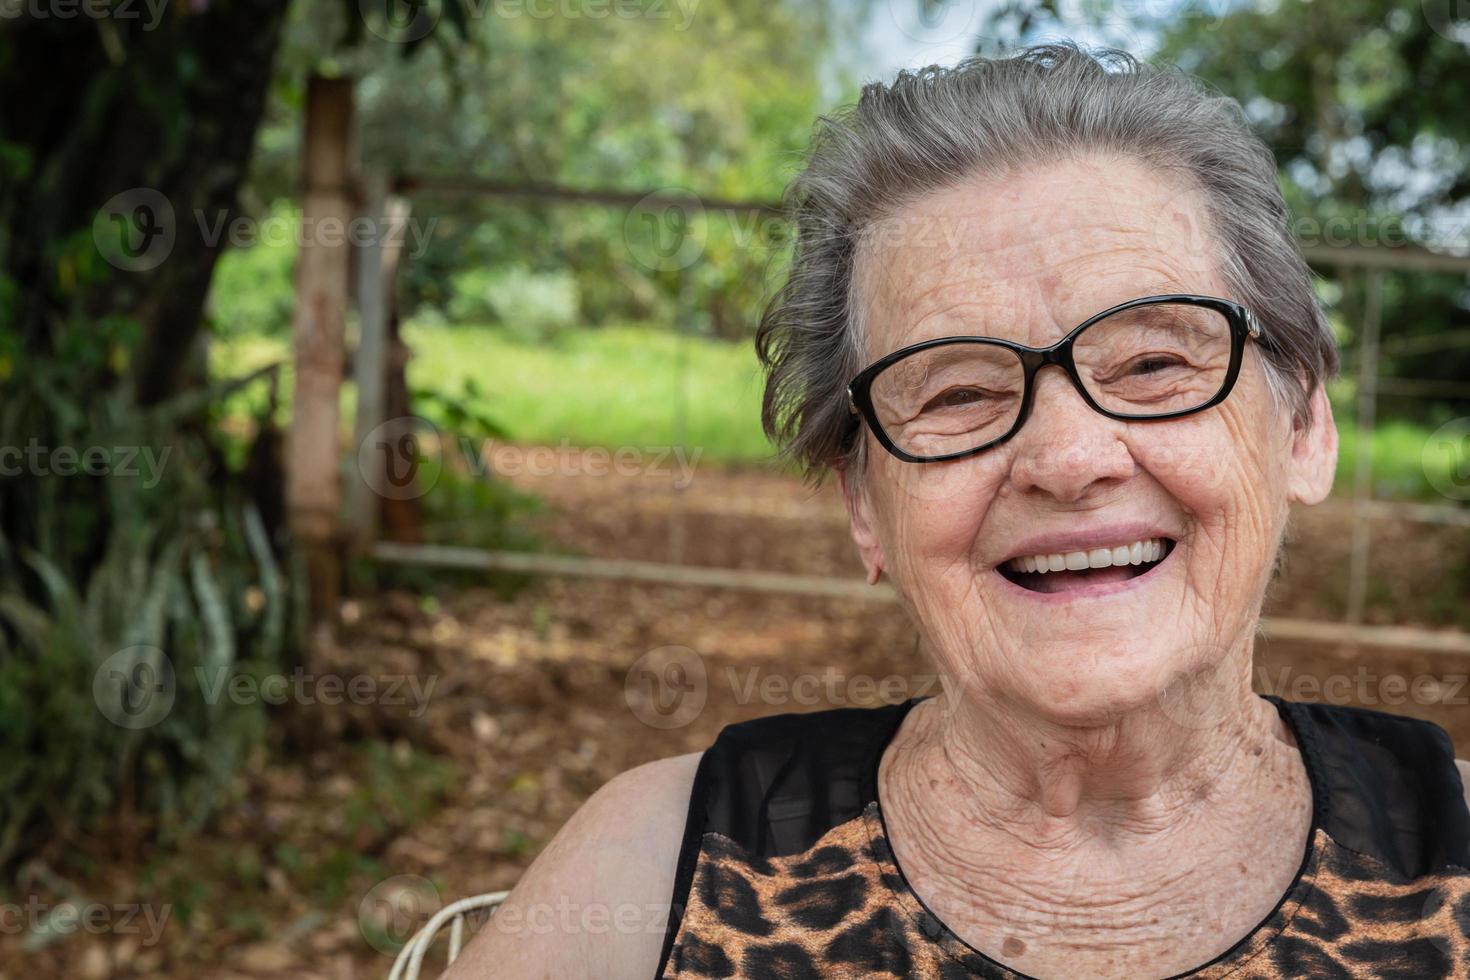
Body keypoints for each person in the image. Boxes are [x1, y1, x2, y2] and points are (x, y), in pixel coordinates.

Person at [447, 43, 1470, 978]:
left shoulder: (1451, 848)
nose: (1067, 459)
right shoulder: (656, 871)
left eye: (1156, 362)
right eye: (957, 394)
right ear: (864, 504)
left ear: (1303, 431)